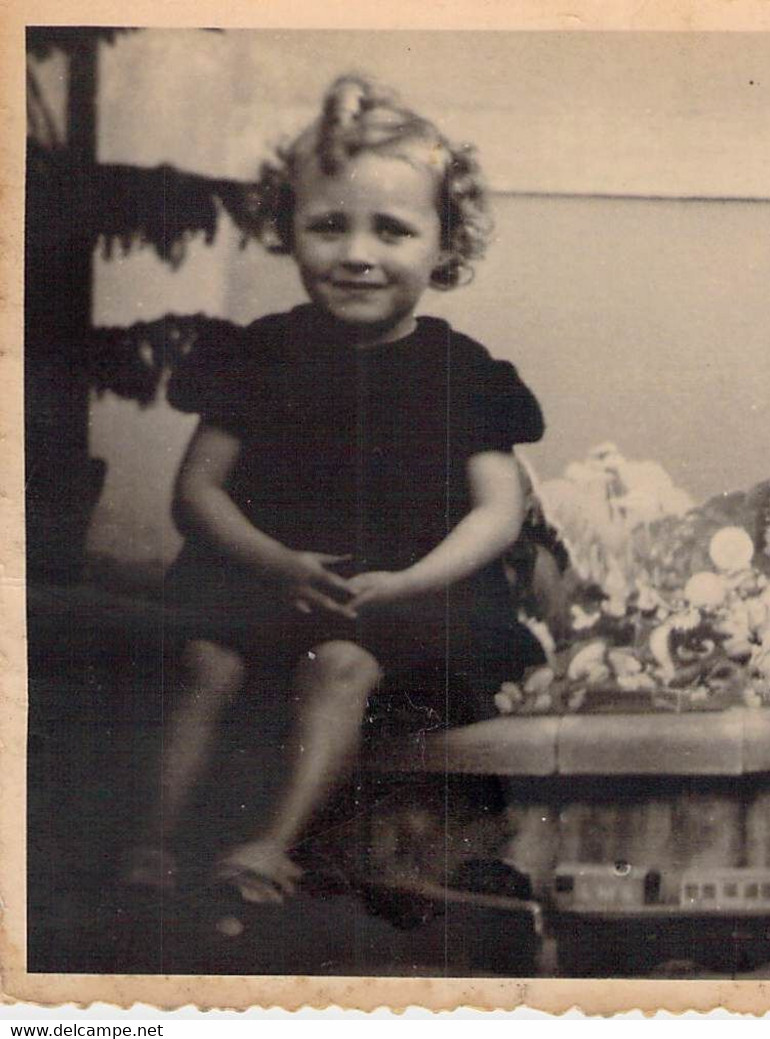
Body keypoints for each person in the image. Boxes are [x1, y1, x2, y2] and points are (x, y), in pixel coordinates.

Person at [125, 76, 545, 906]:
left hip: (404, 603)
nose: (357, 252)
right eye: (328, 225)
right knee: (206, 660)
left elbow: (501, 508)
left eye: (391, 229)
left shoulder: (462, 372)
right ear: (289, 232)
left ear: (443, 244)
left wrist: (413, 579)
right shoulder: (261, 353)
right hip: (266, 581)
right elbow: (197, 491)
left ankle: (267, 846)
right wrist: (275, 562)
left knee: (341, 666)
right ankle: (150, 843)